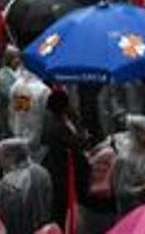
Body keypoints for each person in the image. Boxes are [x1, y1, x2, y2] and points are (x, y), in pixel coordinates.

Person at [41, 87, 90, 226]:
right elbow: (75, 143)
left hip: (69, 170)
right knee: (62, 207)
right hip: (63, 173)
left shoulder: (67, 119)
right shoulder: (56, 127)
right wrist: (83, 139)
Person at [0, 138, 55, 234]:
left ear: (10, 156)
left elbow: (2, 216)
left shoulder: (8, 182)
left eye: (1, 158)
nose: (0, 164)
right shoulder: (43, 172)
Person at [10, 66, 51, 154]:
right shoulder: (43, 90)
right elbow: (47, 116)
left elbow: (20, 112)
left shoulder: (17, 86)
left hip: (20, 132)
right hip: (37, 136)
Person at [0, 45, 22, 138]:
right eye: (15, 58)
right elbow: (8, 95)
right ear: (9, 59)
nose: (18, 60)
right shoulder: (3, 75)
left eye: (19, 57)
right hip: (9, 112)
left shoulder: (20, 71)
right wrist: (24, 106)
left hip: (20, 113)